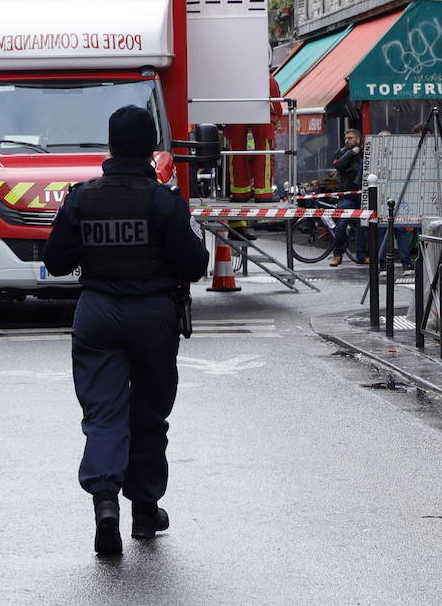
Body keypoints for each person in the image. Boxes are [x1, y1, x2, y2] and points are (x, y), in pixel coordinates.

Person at [42, 106, 210, 558]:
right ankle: (145, 511)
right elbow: (196, 264)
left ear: (111, 146)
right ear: (152, 148)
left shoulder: (82, 197)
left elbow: (55, 261)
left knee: (103, 416)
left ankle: (105, 506)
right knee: (149, 416)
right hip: (153, 315)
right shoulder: (164, 200)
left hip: (96, 313)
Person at [222, 74, 283, 202]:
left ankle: (239, 192)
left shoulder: (231, 78)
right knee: (264, 152)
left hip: (236, 112)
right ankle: (263, 193)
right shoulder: (268, 80)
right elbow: (277, 108)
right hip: (263, 115)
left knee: (236, 151)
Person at [329, 128, 367, 265]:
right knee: (341, 224)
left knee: (363, 225)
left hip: (362, 195)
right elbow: (339, 165)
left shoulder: (365, 153)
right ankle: (337, 254)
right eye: (346, 138)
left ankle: (361, 255)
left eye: (350, 138)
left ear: (357, 139)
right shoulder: (341, 152)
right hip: (347, 195)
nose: (347, 140)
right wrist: (351, 153)